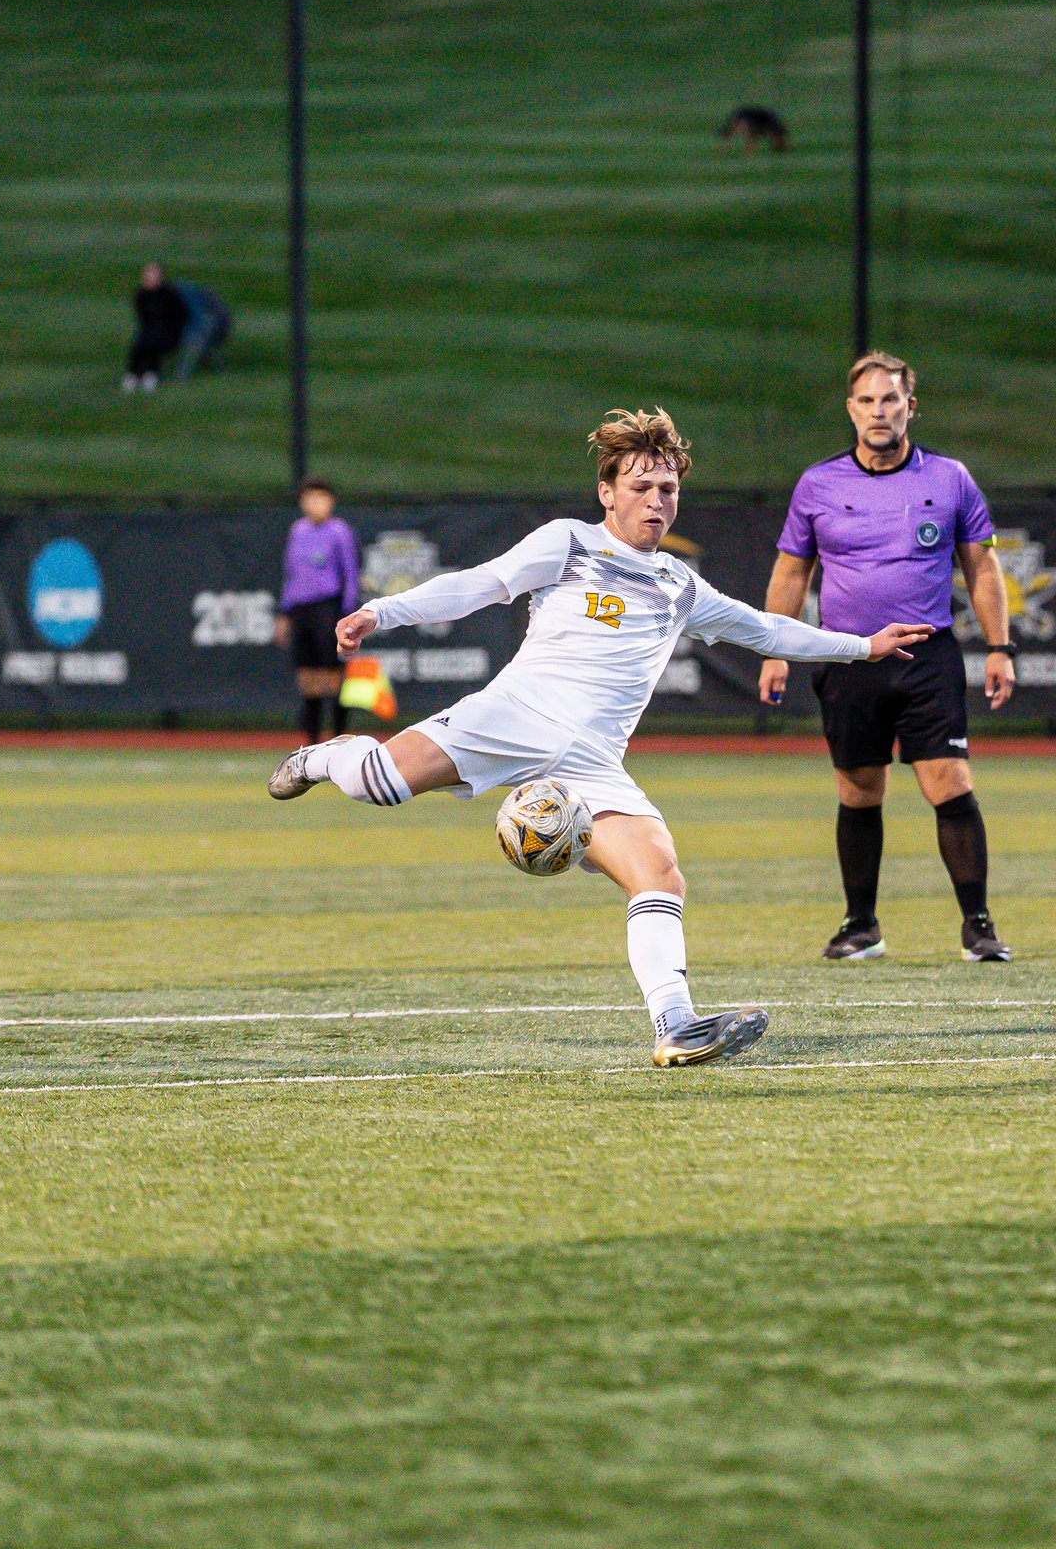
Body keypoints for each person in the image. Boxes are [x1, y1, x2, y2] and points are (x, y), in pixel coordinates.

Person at [267, 409, 934, 1069]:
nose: (655, 500)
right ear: (607, 493)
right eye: (640, 487)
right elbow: (481, 587)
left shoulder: (679, 586)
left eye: (667, 489)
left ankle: (675, 1026)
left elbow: (766, 630)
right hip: (512, 715)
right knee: (378, 783)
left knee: (659, 871)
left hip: (590, 761)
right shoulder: (570, 543)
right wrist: (384, 611)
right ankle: (323, 755)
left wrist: (863, 646)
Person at [758, 351, 1017, 964]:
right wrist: (775, 650)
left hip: (927, 657)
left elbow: (981, 567)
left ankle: (978, 926)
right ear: (851, 410)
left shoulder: (949, 477)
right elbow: (793, 569)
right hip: (847, 658)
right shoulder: (818, 483)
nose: (879, 412)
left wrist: (1000, 647)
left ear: (910, 408)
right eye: (868, 401)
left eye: (891, 400)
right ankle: (860, 925)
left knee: (949, 783)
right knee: (858, 789)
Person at [278, 479, 361, 745]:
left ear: (331, 502)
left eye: (321, 498)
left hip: (328, 607)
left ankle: (338, 740)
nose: (315, 504)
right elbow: (291, 574)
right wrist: (285, 612)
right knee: (307, 676)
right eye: (310, 498)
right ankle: (311, 744)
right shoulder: (297, 531)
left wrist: (347, 613)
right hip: (301, 610)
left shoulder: (339, 531)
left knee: (333, 676)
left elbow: (351, 573)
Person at [126, 262, 189, 392]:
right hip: (150, 331)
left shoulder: (169, 295)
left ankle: (151, 374)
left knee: (154, 343)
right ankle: (133, 374)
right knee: (139, 346)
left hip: (169, 333)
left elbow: (181, 315)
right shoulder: (141, 295)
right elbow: (143, 318)